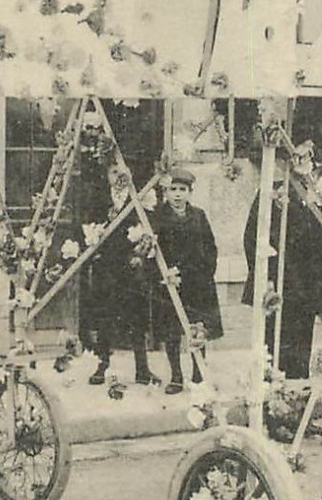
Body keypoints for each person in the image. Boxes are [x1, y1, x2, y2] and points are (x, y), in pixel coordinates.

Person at [241, 165, 322, 384]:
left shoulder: (321, 198)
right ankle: (273, 409)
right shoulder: (273, 193)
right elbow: (253, 239)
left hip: (309, 289)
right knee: (275, 352)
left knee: (302, 354)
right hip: (281, 287)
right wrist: (267, 279)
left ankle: (297, 408)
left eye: (317, 169)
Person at [83, 161, 157, 388]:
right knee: (105, 317)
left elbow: (149, 228)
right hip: (107, 266)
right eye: (114, 172)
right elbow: (88, 224)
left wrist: (140, 253)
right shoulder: (98, 197)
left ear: (131, 173)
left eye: (124, 172)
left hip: (132, 266)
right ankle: (102, 365)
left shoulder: (141, 196)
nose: (119, 177)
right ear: (107, 175)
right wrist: (94, 239)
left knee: (137, 317)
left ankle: (142, 369)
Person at [152, 168, 223, 394]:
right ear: (166, 192)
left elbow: (210, 248)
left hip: (197, 283)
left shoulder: (199, 216)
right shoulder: (157, 217)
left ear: (190, 192)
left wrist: (205, 272)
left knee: (197, 329)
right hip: (171, 284)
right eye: (173, 190)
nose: (178, 195)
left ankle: (198, 374)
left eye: (182, 190)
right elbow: (152, 250)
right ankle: (176, 377)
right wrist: (163, 274)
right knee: (172, 331)